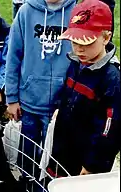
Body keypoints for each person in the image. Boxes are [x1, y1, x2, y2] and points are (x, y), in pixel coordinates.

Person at [5, 0, 76, 184]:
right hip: (30, 100)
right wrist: (12, 98)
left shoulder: (76, 12)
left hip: (60, 104)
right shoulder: (25, 12)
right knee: (28, 151)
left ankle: (47, 189)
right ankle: (26, 187)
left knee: (54, 153)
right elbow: (13, 56)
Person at [47, 0, 120, 177]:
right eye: (74, 41)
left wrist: (93, 165)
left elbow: (110, 130)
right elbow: (66, 93)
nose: (79, 48)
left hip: (88, 163)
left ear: (106, 37)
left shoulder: (112, 78)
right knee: (60, 190)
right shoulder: (75, 63)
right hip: (64, 149)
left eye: (86, 42)